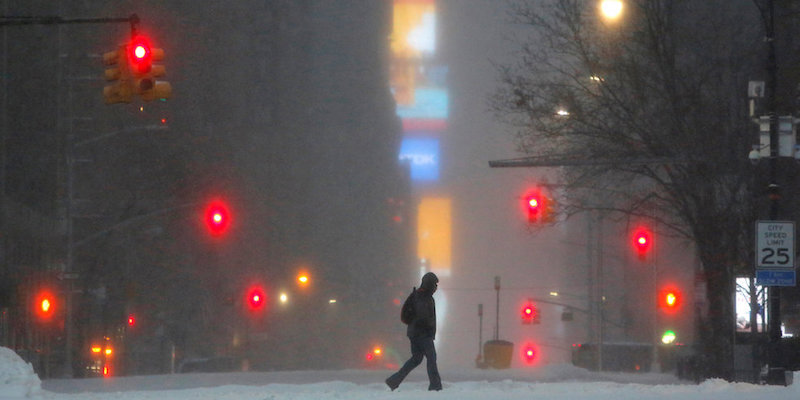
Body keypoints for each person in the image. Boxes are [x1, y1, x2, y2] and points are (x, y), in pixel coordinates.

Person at [385, 272, 442, 391]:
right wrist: (428, 330)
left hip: (414, 334)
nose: (436, 287)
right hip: (423, 334)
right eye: (435, 285)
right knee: (431, 358)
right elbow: (424, 317)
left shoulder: (417, 295)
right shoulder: (423, 298)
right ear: (429, 284)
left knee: (416, 359)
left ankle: (394, 380)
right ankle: (435, 385)